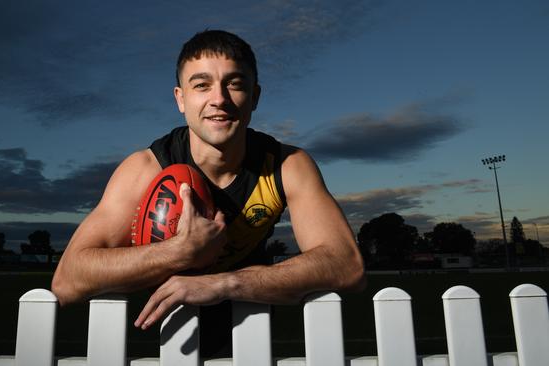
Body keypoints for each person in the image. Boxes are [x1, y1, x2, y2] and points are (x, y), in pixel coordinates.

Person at [52, 30, 364, 353]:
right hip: (162, 351)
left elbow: (347, 265)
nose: (219, 99)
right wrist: (179, 251)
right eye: (201, 85)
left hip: (248, 345)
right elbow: (67, 280)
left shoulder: (286, 164)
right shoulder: (147, 169)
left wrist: (224, 284)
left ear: (255, 96)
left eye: (235, 83)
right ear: (180, 99)